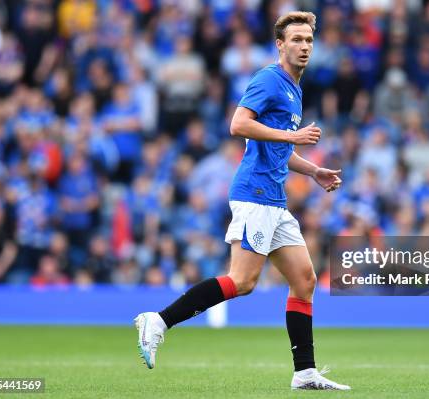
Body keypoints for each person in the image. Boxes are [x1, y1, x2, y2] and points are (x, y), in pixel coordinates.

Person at [134, 11, 349, 391]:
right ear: (280, 45)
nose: (304, 46)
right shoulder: (269, 79)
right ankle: (159, 320)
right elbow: (238, 125)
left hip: (275, 197)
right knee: (244, 280)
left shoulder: (293, 88)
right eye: (296, 40)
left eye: (309, 40)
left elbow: (274, 144)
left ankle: (305, 372)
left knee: (304, 279)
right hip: (255, 194)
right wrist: (292, 138)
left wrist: (312, 170)